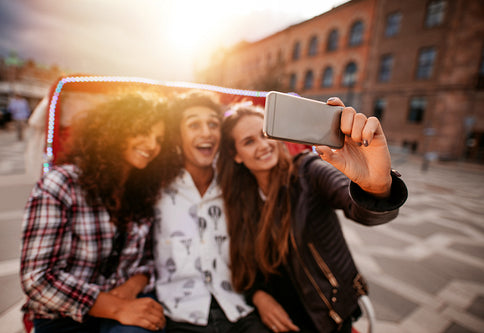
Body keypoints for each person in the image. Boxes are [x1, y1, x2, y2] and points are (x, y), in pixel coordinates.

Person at [217, 98, 408, 333]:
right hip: (274, 322)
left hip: (328, 318)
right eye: (248, 141)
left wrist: (376, 186)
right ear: (236, 155)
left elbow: (363, 211)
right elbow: (244, 264)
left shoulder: (307, 171)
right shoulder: (241, 199)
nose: (263, 145)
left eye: (265, 134)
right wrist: (257, 295)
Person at [20, 94, 181, 333]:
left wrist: (130, 289)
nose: (151, 145)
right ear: (115, 131)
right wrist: (115, 307)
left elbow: (147, 261)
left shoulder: (143, 189)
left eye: (159, 139)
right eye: (143, 132)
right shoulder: (61, 184)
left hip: (126, 305)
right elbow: (38, 278)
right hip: (65, 315)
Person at [152, 90, 269, 332]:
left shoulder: (237, 183)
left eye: (213, 124)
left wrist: (258, 294)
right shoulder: (156, 188)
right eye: (194, 124)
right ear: (177, 136)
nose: (206, 132)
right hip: (179, 316)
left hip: (239, 311)